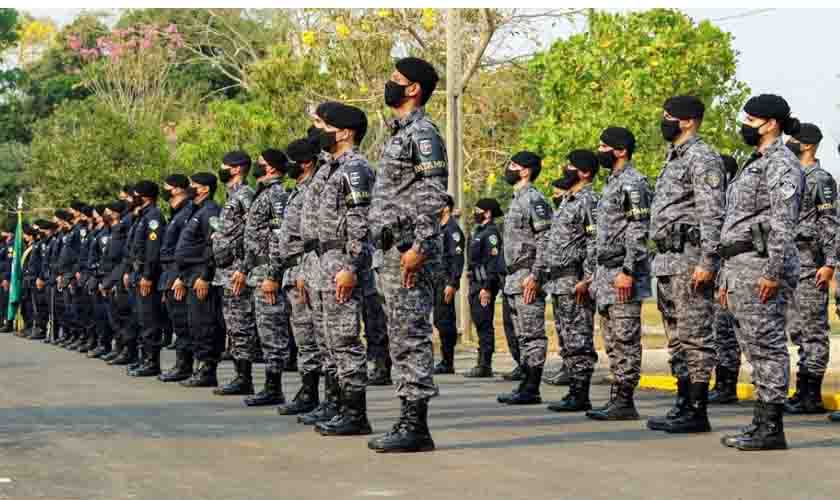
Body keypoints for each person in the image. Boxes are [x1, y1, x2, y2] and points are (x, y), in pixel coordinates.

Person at [367, 56, 447, 453]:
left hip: (406, 253)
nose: (389, 84)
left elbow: (433, 196)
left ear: (413, 89)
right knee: (399, 338)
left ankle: (416, 425)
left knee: (411, 337)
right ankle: (407, 417)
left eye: (396, 79)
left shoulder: (424, 133)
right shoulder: (399, 134)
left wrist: (419, 247)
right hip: (389, 253)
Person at [719, 94, 803, 451]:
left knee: (767, 347)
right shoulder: (754, 162)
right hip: (741, 266)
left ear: (771, 124)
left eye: (751, 120)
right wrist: (726, 274)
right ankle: (760, 423)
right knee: (754, 346)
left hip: (761, 266)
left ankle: (772, 428)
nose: (745, 126)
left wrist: (772, 271)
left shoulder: (781, 163)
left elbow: (784, 224)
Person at [646, 96, 727, 434]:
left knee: (695, 336)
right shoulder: (673, 157)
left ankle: (697, 409)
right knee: (677, 336)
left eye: (669, 116)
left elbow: (712, 213)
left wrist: (708, 261)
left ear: (689, 121)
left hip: (690, 257)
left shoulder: (701, 157)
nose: (664, 121)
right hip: (667, 258)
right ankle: (682, 403)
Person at [309, 102, 375, 436]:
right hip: (326, 263)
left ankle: (356, 413)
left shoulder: (354, 168)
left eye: (322, 124)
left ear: (345, 132)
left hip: (342, 264)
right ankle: (339, 406)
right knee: (331, 341)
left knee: (346, 339)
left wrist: (350, 265)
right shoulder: (334, 168)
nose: (317, 130)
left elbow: (359, 221)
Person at [587, 126, 653, 421]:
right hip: (606, 274)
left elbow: (639, 229)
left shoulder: (632, 182)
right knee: (612, 339)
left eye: (604, 146)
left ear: (621, 150)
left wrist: (628, 269)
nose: (599, 150)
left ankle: (626, 399)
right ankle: (617, 396)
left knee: (625, 337)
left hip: (622, 273)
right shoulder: (612, 183)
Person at [783, 123, 836, 415]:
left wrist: (829, 263)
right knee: (798, 330)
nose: (788, 143)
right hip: (792, 262)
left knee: (813, 329)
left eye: (793, 139)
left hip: (811, 262)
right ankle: (802, 388)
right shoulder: (792, 177)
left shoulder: (820, 180)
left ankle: (811, 393)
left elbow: (829, 224)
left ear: (806, 145)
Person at [545, 150, 600, 413]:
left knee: (579, 338)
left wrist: (588, 277)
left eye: (570, 166)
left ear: (584, 172)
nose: (564, 170)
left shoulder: (588, 200)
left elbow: (593, 241)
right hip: (559, 281)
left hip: (575, 278)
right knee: (567, 337)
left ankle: (581, 393)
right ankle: (573, 389)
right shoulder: (568, 200)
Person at [496, 151, 553, 406]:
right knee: (521, 334)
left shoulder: (534, 199)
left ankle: (532, 386)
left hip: (528, 274)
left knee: (533, 334)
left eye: (513, 165)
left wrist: (536, 276)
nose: (508, 169)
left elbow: (545, 240)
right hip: (513, 277)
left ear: (526, 171)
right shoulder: (516, 199)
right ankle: (525, 381)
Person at [274, 137, 323, 416]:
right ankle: (308, 390)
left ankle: (314, 392)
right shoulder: (298, 190)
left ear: (305, 163)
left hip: (305, 268)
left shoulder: (311, 191)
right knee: (303, 335)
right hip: (293, 270)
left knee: (311, 335)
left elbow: (311, 237)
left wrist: (304, 269)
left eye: (291, 162)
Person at [243, 149, 292, 407]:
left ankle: (275, 387)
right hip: (257, 271)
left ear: (272, 168)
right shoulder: (262, 193)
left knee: (273, 332)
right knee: (264, 331)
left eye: (261, 165)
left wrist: (273, 274)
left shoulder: (276, 195)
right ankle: (269, 385)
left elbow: (278, 237)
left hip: (267, 273)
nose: (257, 168)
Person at [213, 151, 258, 396]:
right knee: (233, 324)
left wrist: (243, 268)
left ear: (238, 169)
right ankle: (240, 375)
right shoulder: (231, 196)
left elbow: (253, 235)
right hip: (225, 271)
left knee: (241, 325)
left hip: (237, 272)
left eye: (225, 166)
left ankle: (245, 377)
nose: (221, 169)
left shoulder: (245, 196)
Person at [176, 172, 224, 387]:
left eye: (194, 185)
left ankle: (207, 369)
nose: (190, 188)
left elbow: (213, 246)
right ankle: (200, 366)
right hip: (190, 275)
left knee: (204, 323)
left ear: (205, 189)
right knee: (195, 323)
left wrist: (205, 275)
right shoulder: (196, 210)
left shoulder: (210, 210)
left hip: (201, 275)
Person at [709, 154, 742, 404]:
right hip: (719, 272)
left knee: (727, 331)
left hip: (730, 273)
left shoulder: (731, 200)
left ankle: (728, 385)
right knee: (719, 331)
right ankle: (721, 382)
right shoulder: (719, 200)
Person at [158, 175, 197, 382]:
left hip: (178, 274)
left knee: (183, 322)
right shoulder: (177, 213)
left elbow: (187, 248)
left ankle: (185, 365)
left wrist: (181, 276)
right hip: (170, 273)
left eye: (168, 188)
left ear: (178, 189)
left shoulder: (187, 212)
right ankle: (181, 363)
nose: (165, 191)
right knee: (177, 321)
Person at [125, 181, 166, 377]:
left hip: (146, 275)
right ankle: (144, 359)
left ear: (145, 196)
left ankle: (152, 362)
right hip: (137, 273)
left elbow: (152, 250)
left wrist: (148, 275)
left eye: (135, 195)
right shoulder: (141, 217)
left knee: (149, 319)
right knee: (141, 318)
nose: (131, 199)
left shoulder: (153, 217)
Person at [464, 198, 505, 378]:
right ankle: (480, 362)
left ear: (487, 213)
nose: (475, 212)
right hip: (475, 283)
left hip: (484, 285)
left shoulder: (491, 234)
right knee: (479, 322)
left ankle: (485, 364)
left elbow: (493, 262)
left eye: (478, 209)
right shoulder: (479, 231)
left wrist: (487, 287)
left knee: (484, 323)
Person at [432, 194, 465, 375]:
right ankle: (444, 359)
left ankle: (448, 361)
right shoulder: (438, 228)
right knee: (439, 319)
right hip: (434, 280)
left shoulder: (453, 230)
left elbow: (457, 259)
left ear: (446, 207)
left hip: (445, 281)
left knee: (445, 320)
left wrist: (452, 283)